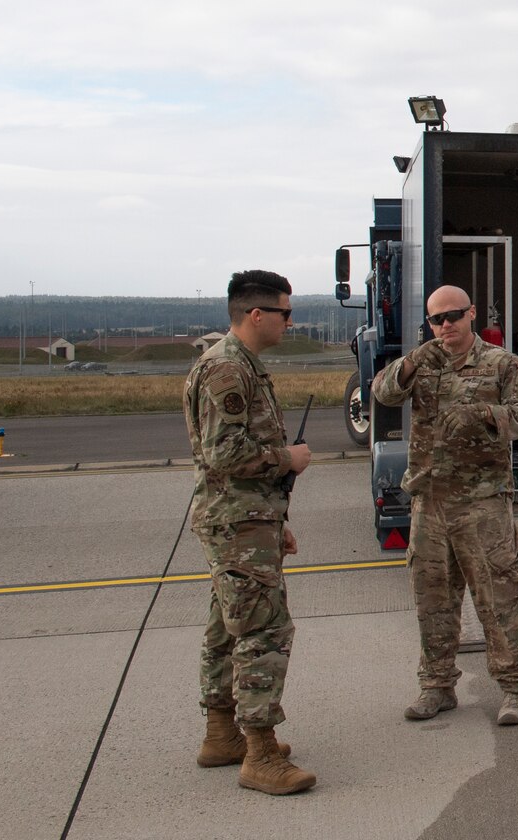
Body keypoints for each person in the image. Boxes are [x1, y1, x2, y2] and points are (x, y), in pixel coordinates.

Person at [373, 285, 518, 726]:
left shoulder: (501, 364)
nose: (445, 325)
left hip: (482, 502)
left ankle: (515, 688)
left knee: (499, 598)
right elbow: (383, 394)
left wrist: (487, 415)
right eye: (436, 319)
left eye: (453, 316)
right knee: (432, 600)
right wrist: (413, 361)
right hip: (430, 502)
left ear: (471, 314)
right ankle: (436, 685)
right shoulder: (422, 363)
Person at [183, 269, 316, 795]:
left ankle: (223, 735)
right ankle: (260, 754)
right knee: (263, 630)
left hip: (246, 519)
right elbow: (225, 453)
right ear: (256, 315)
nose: (290, 321)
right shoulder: (226, 370)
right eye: (285, 312)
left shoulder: (241, 365)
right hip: (236, 522)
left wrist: (275, 521)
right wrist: (290, 458)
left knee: (226, 625)